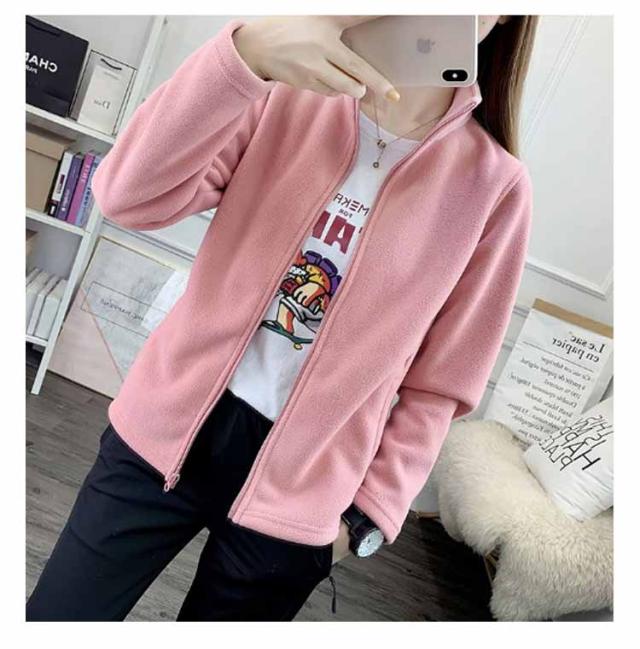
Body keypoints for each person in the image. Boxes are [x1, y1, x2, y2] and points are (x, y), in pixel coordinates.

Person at [27, 15, 538, 621]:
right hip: (162, 432)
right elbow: (128, 198)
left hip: (305, 492)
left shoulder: (494, 186)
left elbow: (441, 384)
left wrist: (368, 516)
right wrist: (242, 55)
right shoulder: (283, 88)